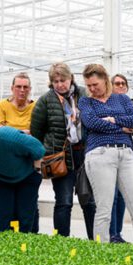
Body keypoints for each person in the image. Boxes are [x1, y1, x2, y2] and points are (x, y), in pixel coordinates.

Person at [79, 64, 133, 244]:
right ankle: (101, 253)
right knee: (104, 209)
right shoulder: (86, 102)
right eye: (89, 86)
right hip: (99, 154)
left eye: (95, 84)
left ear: (104, 79)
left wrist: (111, 119)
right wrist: (122, 127)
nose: (92, 89)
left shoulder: (122, 99)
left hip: (126, 154)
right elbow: (92, 123)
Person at [30, 63, 96, 238]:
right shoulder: (45, 100)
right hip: (61, 157)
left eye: (63, 80)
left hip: (84, 154)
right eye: (55, 81)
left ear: (71, 78)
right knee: (64, 202)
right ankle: (62, 242)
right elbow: (36, 131)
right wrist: (46, 151)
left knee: (89, 201)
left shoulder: (84, 94)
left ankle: (96, 241)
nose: (60, 84)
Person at [0, 72, 40, 233]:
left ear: (30, 89)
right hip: (5, 166)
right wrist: (25, 134)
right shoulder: (2, 106)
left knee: (27, 211)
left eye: (25, 87)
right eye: (18, 87)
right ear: (12, 88)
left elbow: (38, 134)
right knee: (4, 210)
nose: (22, 90)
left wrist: (11, 132)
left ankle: (28, 245)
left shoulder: (36, 107)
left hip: (30, 167)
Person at [107, 73, 133, 243]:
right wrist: (122, 128)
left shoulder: (127, 103)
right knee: (111, 196)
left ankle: (117, 233)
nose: (120, 86)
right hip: (108, 154)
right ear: (110, 86)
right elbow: (102, 124)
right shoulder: (106, 102)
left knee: (121, 196)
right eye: (117, 83)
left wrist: (116, 122)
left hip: (126, 154)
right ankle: (111, 234)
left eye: (123, 84)